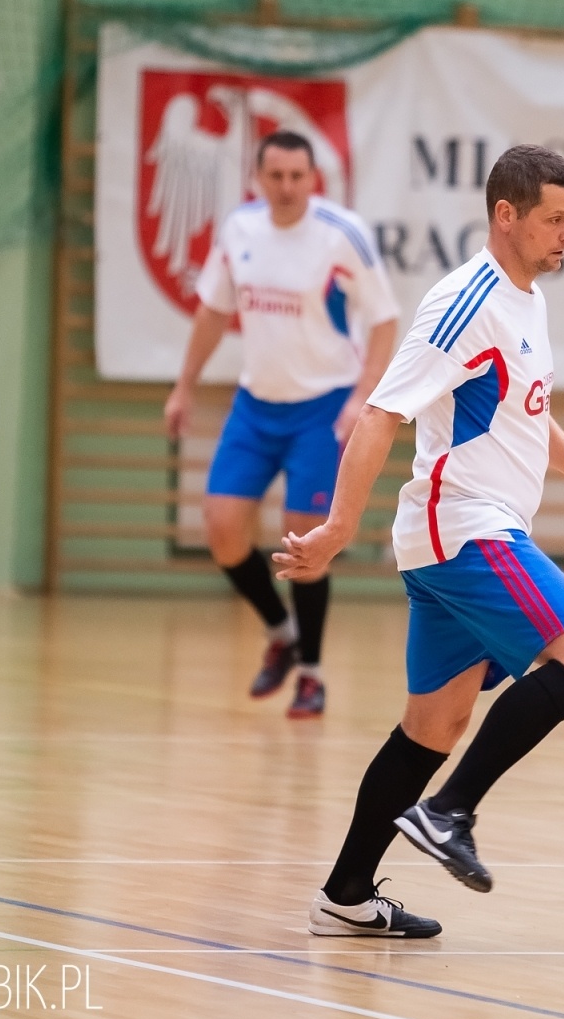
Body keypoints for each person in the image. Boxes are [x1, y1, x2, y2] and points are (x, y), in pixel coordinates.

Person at [275, 144, 564, 938]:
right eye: (553, 219)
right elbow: (381, 414)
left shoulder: (526, 301)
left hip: (455, 536)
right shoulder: (464, 301)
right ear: (505, 215)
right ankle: (449, 812)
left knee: (433, 726)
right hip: (466, 527)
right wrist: (338, 529)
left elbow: (525, 413)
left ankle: (345, 896)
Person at [164, 131, 399, 719]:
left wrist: (361, 397)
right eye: (277, 176)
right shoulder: (240, 229)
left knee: (304, 544)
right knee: (222, 529)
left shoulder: (342, 234)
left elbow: (385, 320)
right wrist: (184, 385)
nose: (288, 186)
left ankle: (312, 675)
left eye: (298, 176)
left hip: (322, 407)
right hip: (256, 406)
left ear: (313, 178)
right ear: (258, 178)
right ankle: (280, 632)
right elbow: (213, 311)